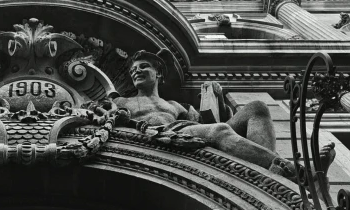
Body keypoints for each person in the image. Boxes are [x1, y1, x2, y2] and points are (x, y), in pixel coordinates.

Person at [113, 50, 296, 178]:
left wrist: (218, 99)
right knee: (219, 131)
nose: (136, 71)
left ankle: (270, 172)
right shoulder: (122, 102)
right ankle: (283, 168)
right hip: (155, 135)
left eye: (143, 66)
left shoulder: (176, 105)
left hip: (184, 129)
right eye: (132, 70)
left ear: (158, 73)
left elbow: (209, 121)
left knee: (258, 108)